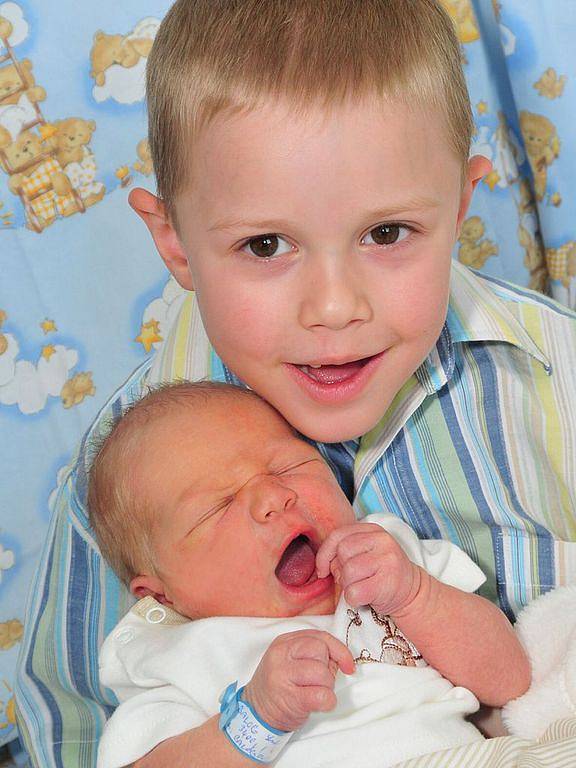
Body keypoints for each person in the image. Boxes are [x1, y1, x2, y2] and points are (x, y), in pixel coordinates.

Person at [15, 1, 576, 767]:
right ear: (175, 244)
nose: (335, 308)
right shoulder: (126, 468)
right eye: (266, 244)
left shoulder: (553, 366)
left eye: (387, 233)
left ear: (461, 205)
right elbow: (71, 723)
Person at [89, 381, 529, 768]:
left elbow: (509, 679)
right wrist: (256, 718)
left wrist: (414, 595)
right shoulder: (178, 655)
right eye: (219, 506)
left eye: (289, 468)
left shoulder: (390, 559)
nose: (275, 498)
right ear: (163, 596)